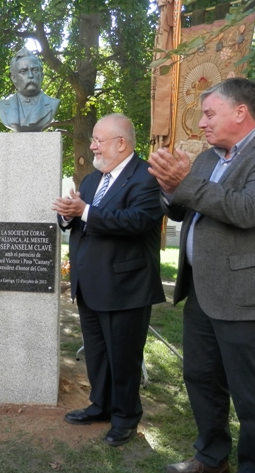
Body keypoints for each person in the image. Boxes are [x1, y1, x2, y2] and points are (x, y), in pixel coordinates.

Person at [148, 78, 255, 473]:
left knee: (252, 394)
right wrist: (168, 186)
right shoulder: (206, 159)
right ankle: (211, 460)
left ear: (240, 112)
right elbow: (182, 209)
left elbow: (249, 209)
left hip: (247, 294)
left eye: (209, 113)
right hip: (201, 290)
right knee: (201, 379)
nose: (201, 123)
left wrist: (184, 184)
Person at [52, 113, 165, 447]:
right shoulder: (90, 180)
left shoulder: (146, 177)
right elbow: (79, 220)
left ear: (121, 143)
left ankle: (126, 417)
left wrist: (84, 211)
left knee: (123, 357)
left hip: (125, 287)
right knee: (98, 354)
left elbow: (137, 221)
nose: (92, 145)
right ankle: (100, 406)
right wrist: (66, 214)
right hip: (89, 284)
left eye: (98, 140)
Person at [0, 48, 60, 132]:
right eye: (23, 71)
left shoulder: (52, 103)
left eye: (35, 70)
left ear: (41, 76)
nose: (30, 75)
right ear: (14, 78)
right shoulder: (3, 105)